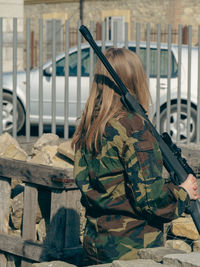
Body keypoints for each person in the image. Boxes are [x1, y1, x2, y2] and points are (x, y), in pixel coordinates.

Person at [72, 47, 199, 266]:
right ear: (135, 80)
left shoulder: (91, 125)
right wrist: (183, 193)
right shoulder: (134, 127)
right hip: (132, 250)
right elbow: (151, 200)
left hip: (94, 244)